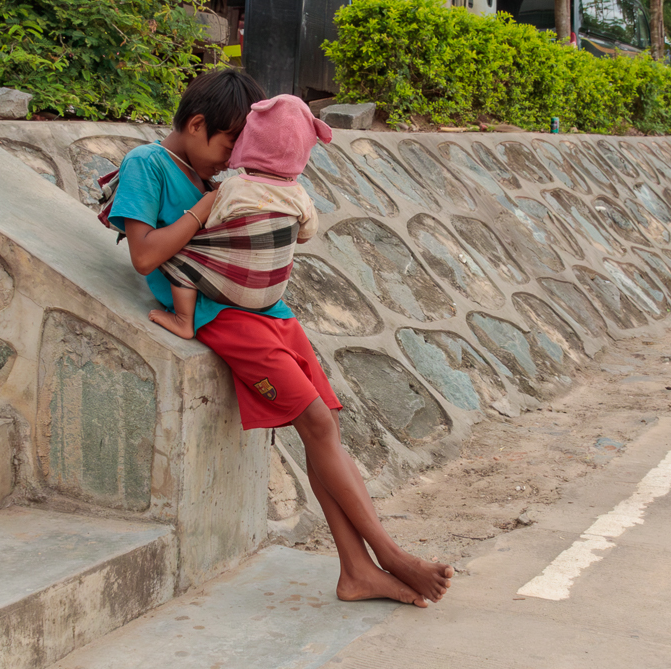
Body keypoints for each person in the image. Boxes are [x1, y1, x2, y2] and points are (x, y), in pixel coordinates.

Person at [108, 68, 453, 607]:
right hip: (219, 317)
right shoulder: (146, 165)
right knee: (314, 421)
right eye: (228, 144)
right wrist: (206, 207)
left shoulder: (222, 174)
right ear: (196, 124)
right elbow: (145, 255)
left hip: (271, 311)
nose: (232, 157)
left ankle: (356, 570)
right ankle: (389, 553)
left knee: (326, 425)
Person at [148, 94, 331, 339]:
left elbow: (213, 229)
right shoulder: (300, 195)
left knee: (177, 257)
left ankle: (183, 321)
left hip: (231, 290)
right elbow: (305, 235)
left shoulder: (233, 187)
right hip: (270, 295)